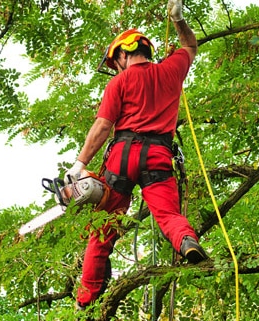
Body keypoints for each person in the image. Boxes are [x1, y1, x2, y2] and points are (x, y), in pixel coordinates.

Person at [65, 0, 207, 309]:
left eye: (115, 60)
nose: (115, 67)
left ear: (124, 54)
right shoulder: (172, 69)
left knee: (103, 228)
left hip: (122, 157)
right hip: (157, 155)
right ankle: (187, 242)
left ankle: (86, 299)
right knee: (169, 215)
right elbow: (191, 46)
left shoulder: (120, 82)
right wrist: (178, 20)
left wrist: (79, 166)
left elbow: (103, 127)